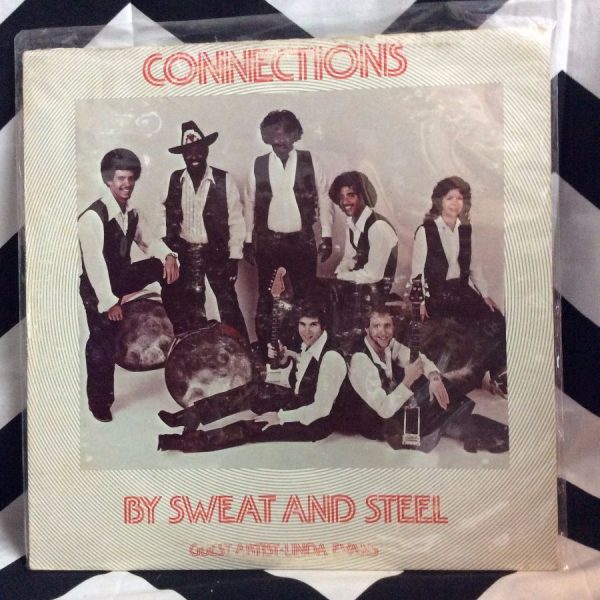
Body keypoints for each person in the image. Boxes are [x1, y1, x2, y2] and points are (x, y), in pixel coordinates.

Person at [157, 300, 347, 452]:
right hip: (299, 400)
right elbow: (303, 375)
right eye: (302, 324)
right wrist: (286, 357)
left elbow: (321, 409)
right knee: (253, 389)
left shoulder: (331, 358)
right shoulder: (312, 343)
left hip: (314, 423)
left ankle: (184, 442)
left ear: (323, 326)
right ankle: (190, 415)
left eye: (313, 325)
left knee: (251, 427)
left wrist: (279, 417)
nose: (306, 331)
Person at [78, 148, 179, 422]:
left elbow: (150, 241)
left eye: (131, 178)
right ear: (108, 180)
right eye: (121, 178)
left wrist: (169, 256)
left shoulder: (132, 211)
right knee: (102, 343)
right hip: (97, 288)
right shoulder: (92, 217)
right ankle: (99, 402)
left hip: (120, 277)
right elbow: (94, 264)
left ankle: (179, 323)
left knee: (162, 264)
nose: (127, 184)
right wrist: (110, 303)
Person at [334, 305, 508, 453]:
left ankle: (482, 434)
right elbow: (384, 409)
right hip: (373, 421)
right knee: (431, 417)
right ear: (367, 329)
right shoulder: (360, 360)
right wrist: (407, 381)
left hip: (391, 401)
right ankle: (487, 435)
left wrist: (434, 378)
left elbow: (418, 359)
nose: (383, 332)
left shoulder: (387, 343)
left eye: (387, 326)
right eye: (376, 326)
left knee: (433, 392)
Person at [243, 110, 334, 355]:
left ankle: (303, 351)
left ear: (295, 135)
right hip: (269, 243)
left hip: (302, 241)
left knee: (305, 298)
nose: (280, 140)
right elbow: (249, 203)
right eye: (275, 134)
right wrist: (248, 241)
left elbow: (324, 198)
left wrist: (326, 235)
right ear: (267, 137)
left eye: (285, 133)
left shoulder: (310, 161)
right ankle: (268, 352)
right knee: (267, 298)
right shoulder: (258, 164)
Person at [411, 176, 507, 394]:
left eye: (459, 198)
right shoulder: (425, 231)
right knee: (459, 328)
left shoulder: (465, 230)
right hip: (437, 294)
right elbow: (417, 271)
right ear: (439, 201)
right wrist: (421, 302)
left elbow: (474, 266)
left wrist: (484, 294)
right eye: (450, 198)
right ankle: (468, 376)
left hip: (461, 291)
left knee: (495, 318)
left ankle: (498, 374)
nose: (455, 203)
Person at [161, 120, 248, 339]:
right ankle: (199, 354)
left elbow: (236, 221)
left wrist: (234, 257)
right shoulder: (174, 179)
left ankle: (243, 351)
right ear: (183, 155)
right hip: (185, 252)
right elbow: (161, 213)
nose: (194, 156)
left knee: (227, 304)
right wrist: (168, 249)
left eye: (198, 150)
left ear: (206, 150)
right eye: (188, 152)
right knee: (191, 306)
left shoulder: (224, 179)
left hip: (216, 251)